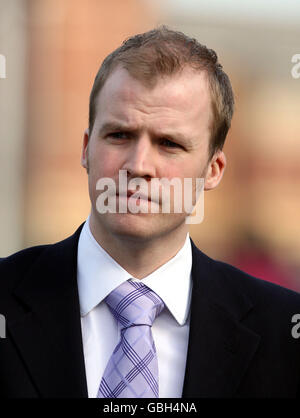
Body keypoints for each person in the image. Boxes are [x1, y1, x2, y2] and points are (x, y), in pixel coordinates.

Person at [1, 26, 300, 399]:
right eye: (119, 135)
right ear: (85, 148)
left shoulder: (283, 334)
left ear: (213, 170)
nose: (139, 165)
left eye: (169, 143)